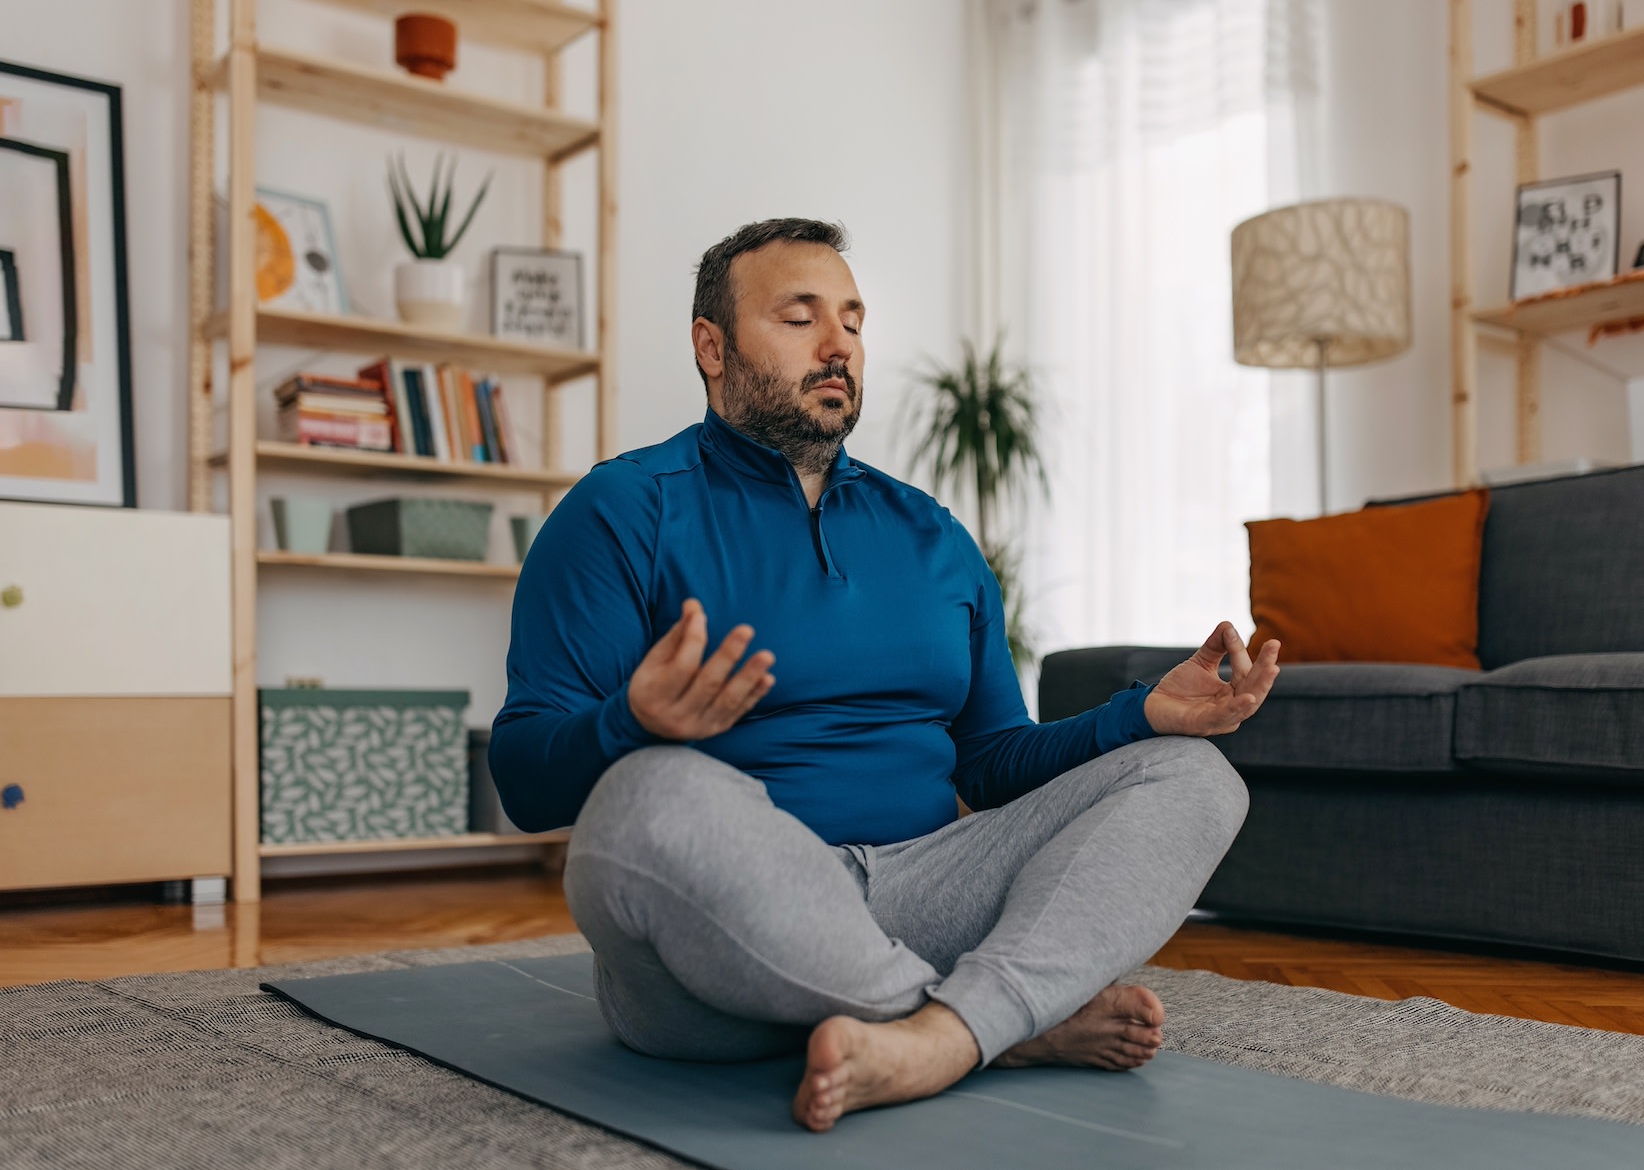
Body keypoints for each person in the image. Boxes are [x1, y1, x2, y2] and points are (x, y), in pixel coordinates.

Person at [490, 218, 1281, 1132]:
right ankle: (998, 1022)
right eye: (799, 319)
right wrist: (631, 723)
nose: (838, 348)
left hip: (926, 892)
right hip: (724, 932)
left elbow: (990, 760)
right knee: (643, 800)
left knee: (1192, 776)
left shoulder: (933, 535)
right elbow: (522, 778)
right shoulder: (622, 510)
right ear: (712, 347)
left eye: (854, 323)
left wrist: (1140, 715)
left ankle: (934, 1035)